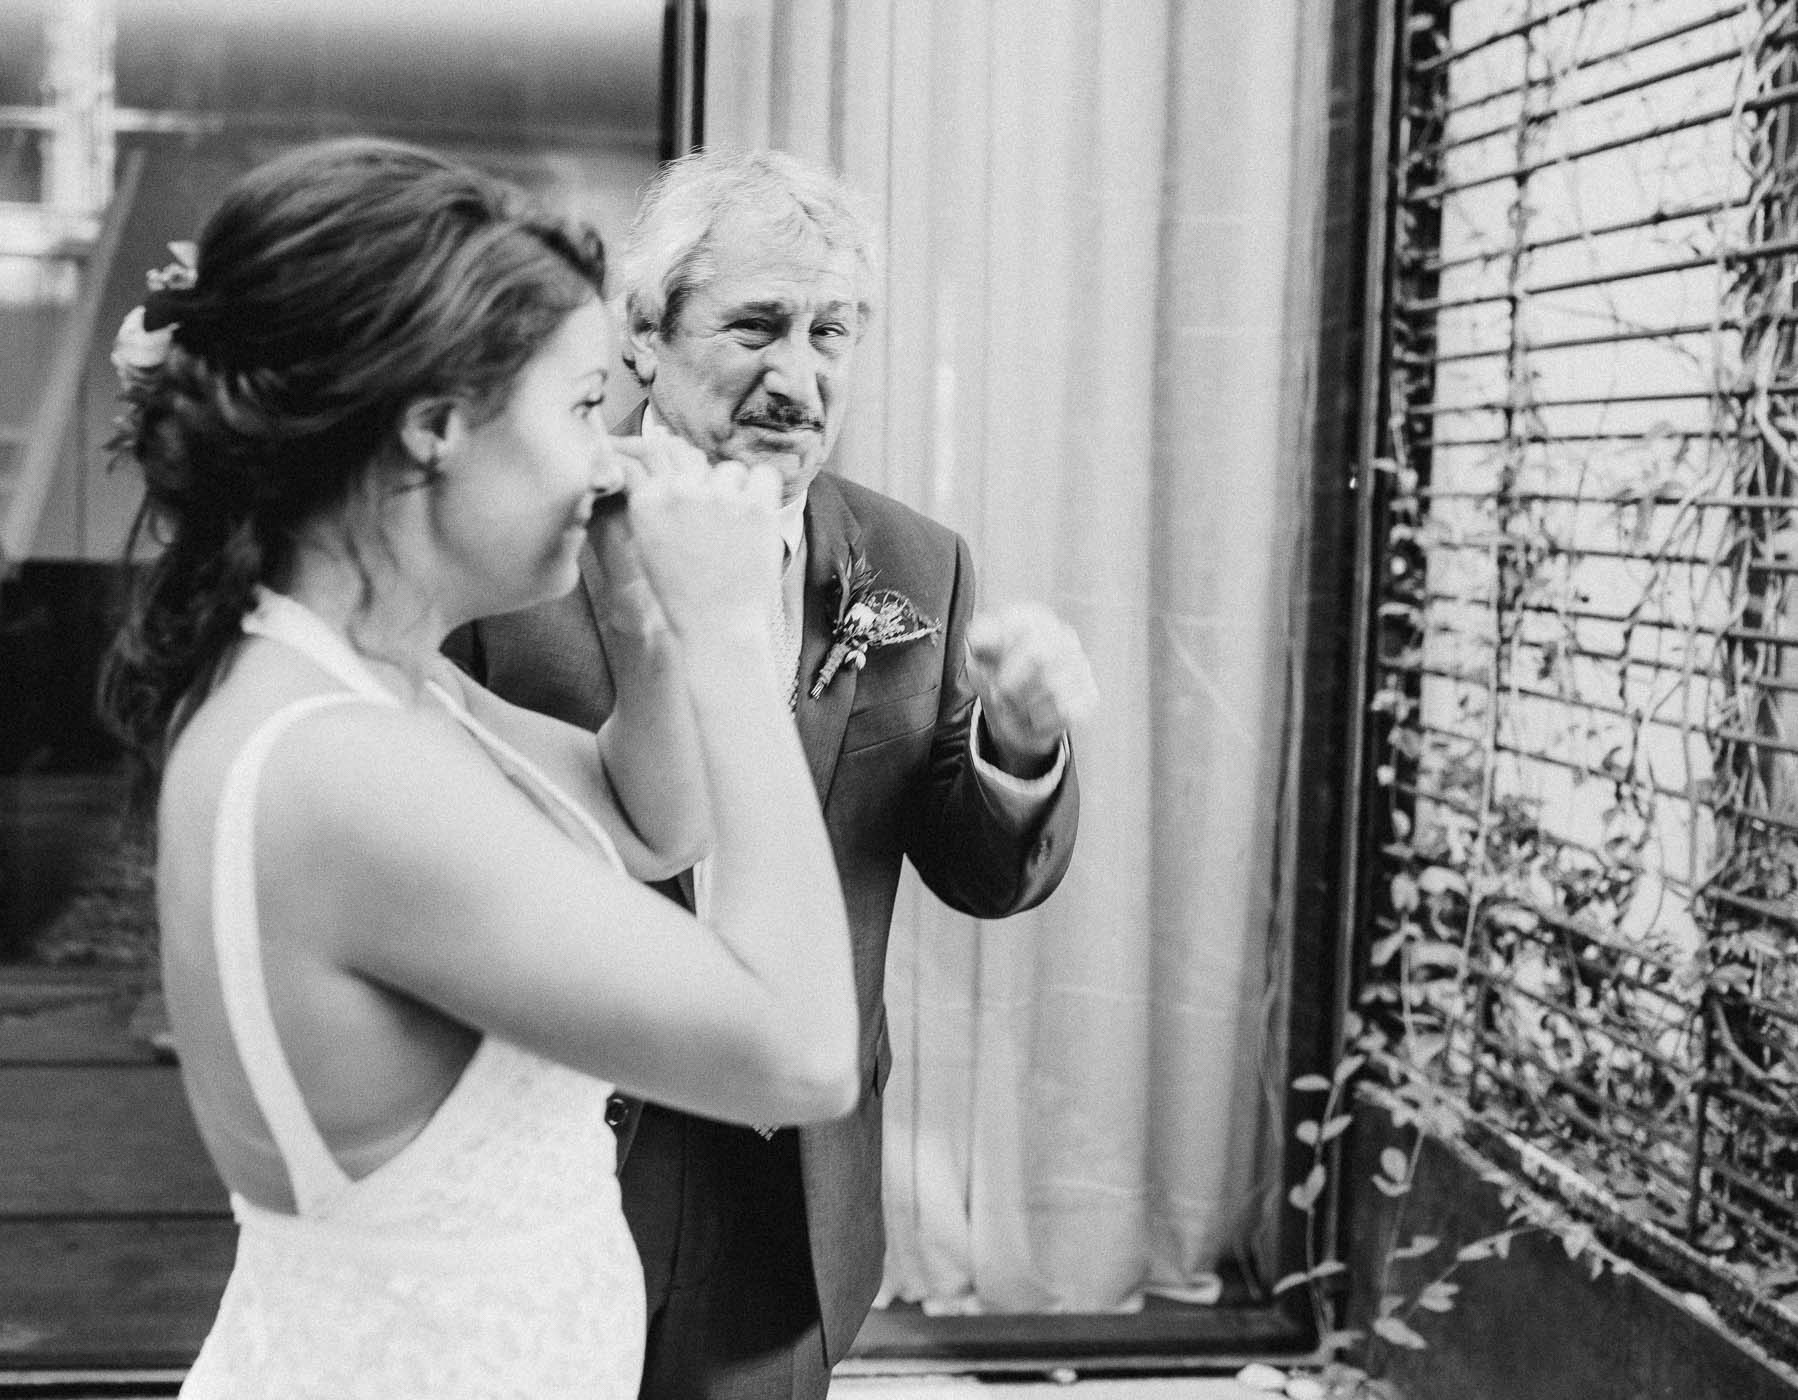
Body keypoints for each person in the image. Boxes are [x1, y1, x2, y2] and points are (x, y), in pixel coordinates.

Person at [97, 137, 859, 1399]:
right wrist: (732, 636)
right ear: (437, 430)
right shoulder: (344, 769)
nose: (609, 456)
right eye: (576, 409)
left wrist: (643, 631)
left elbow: (646, 823)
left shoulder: (379, 677)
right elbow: (799, 1051)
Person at [450, 147, 1099, 1398]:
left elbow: (976, 867)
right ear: (644, 333)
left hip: (788, 1197)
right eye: (755, 325)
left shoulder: (914, 561)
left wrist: (1016, 745)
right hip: (556, 1167)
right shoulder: (520, 553)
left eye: (830, 332)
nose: (797, 377)